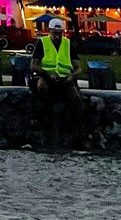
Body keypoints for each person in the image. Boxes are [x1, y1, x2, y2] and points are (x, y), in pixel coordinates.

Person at [30, 18, 85, 147]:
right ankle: (48, 121)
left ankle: (77, 133)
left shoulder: (67, 44)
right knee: (42, 88)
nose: (57, 36)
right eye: (55, 33)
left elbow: (79, 67)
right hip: (47, 78)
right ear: (49, 31)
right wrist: (47, 73)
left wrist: (71, 76)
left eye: (59, 33)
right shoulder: (42, 43)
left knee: (76, 99)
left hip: (65, 80)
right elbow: (33, 65)